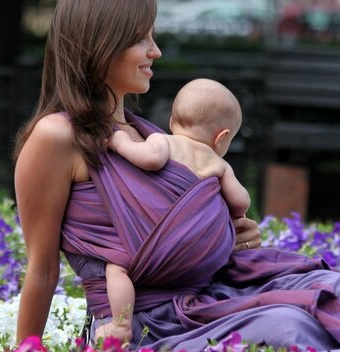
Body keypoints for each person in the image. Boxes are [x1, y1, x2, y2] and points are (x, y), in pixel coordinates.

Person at [13, 0, 340, 352]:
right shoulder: (57, 137)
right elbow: (43, 268)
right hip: (150, 324)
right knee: (294, 327)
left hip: (220, 290)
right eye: (142, 38)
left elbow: (183, 223)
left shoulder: (150, 134)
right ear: (100, 45)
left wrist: (225, 234)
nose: (156, 51)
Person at [98, 78, 251, 342]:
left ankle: (121, 326)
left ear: (171, 122)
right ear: (222, 137)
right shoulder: (218, 162)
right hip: (202, 256)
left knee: (116, 269)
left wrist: (119, 143)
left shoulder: (162, 140)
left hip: (163, 250)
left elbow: (150, 159)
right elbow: (240, 202)